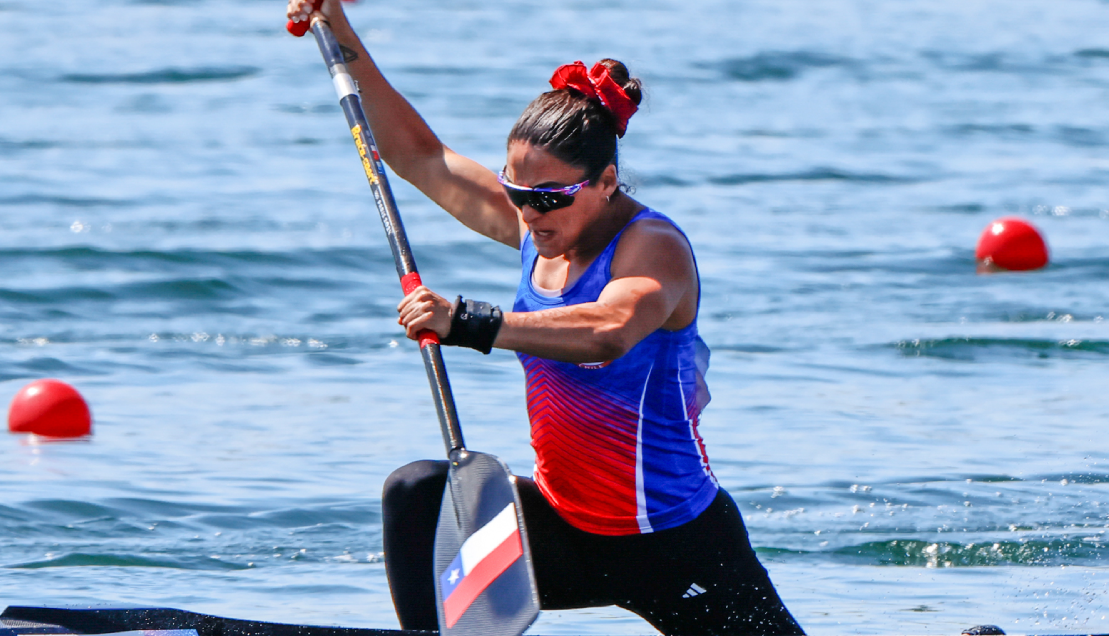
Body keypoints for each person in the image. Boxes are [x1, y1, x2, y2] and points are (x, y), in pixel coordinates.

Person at [286, 2, 804, 634]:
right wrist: (337, 28)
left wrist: (472, 322)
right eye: (517, 194)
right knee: (417, 493)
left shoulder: (653, 247)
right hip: (562, 532)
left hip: (674, 544)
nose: (530, 215)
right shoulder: (540, 228)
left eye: (549, 198)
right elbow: (420, 157)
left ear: (606, 181)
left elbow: (608, 329)